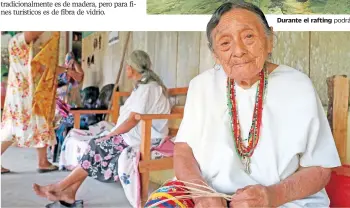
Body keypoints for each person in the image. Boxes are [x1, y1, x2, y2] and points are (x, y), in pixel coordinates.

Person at [146, 2, 341, 207]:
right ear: (215, 54)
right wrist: (202, 194)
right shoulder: (201, 86)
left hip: (281, 199)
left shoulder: (298, 86)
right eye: (225, 43)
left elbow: (320, 168)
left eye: (248, 37)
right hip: (206, 193)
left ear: (269, 40)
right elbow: (183, 150)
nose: (238, 51)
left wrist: (272, 196)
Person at [32, 50, 171, 207]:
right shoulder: (143, 87)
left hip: (147, 137)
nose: (126, 69)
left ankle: (59, 187)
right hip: (136, 133)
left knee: (97, 146)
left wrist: (111, 135)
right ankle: (69, 192)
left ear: (132, 68)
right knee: (96, 146)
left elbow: (132, 120)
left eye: (127, 66)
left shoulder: (148, 89)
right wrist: (111, 135)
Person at [1, 32, 82, 174]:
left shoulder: (31, 49)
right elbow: (34, 34)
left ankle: (43, 161)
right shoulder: (19, 42)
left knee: (24, 126)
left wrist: (67, 71)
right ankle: (43, 162)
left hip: (24, 94)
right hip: (29, 94)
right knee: (31, 124)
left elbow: (45, 68)